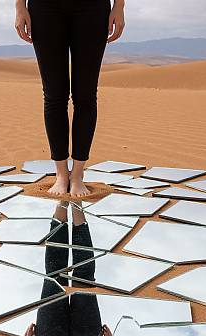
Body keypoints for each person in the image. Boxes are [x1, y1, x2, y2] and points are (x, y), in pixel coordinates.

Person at [14, 0, 126, 197]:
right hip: (44, 7)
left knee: (85, 95)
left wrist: (119, 6)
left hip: (92, 7)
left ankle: (77, 174)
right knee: (54, 95)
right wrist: (19, 7)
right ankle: (61, 174)